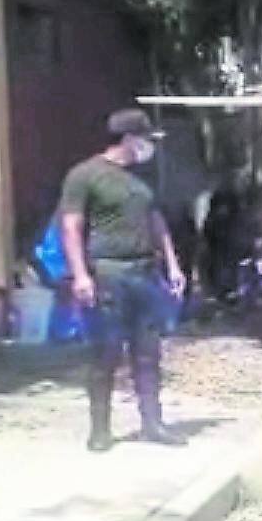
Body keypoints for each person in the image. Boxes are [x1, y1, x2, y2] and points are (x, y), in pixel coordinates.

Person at [59, 108, 188, 453]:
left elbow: (156, 221)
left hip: (145, 273)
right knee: (105, 352)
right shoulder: (85, 175)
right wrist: (81, 275)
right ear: (130, 138)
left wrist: (173, 265)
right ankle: (100, 430)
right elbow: (70, 226)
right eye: (145, 139)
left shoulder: (142, 180)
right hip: (108, 275)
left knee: (148, 353)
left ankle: (153, 423)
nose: (149, 147)